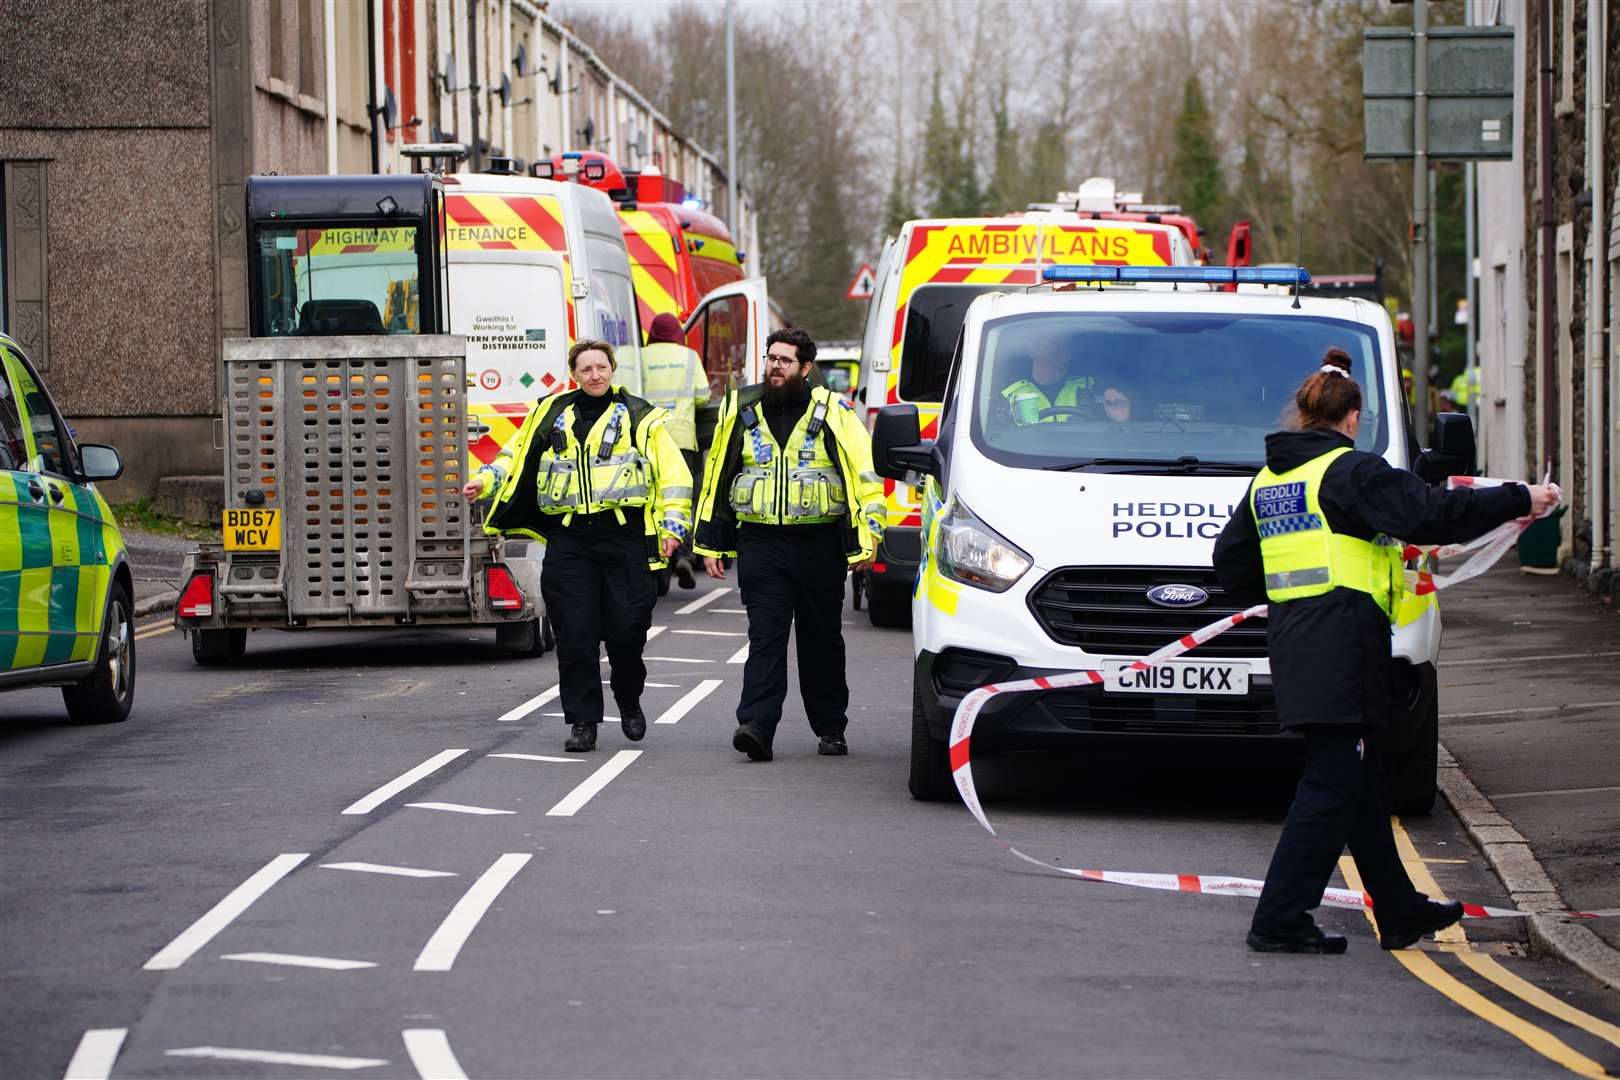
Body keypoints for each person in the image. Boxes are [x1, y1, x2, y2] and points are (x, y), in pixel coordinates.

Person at [1213, 348, 1557, 953]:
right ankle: (1279, 919)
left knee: (1361, 782)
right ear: (1352, 419)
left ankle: (1398, 910)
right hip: (1346, 650)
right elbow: (1433, 513)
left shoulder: (1270, 480)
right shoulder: (1351, 472)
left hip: (1299, 645)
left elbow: (1233, 567)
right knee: (1332, 783)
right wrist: (1516, 498)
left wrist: (1297, 594)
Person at [464, 340, 692, 753]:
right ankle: (583, 721)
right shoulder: (551, 414)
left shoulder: (640, 417)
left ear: (612, 369)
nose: (595, 376)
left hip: (624, 538)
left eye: (601, 367)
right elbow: (512, 459)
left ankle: (628, 697)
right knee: (575, 638)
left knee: (626, 635)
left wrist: (672, 526)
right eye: (586, 369)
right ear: (574, 374)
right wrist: (485, 481)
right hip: (569, 541)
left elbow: (673, 474)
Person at [693, 326, 885, 761]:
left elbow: (865, 475)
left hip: (820, 544)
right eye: (770, 358)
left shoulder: (834, 411)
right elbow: (718, 475)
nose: (774, 366)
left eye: (783, 360)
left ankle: (830, 728)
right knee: (765, 637)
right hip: (761, 543)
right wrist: (711, 542)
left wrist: (869, 533)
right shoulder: (743, 407)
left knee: (821, 640)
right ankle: (755, 728)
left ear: (805, 367)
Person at [640, 312, 711, 589]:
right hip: (682, 440)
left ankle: (658, 569)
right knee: (682, 501)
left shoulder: (640, 356)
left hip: (648, 440)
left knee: (652, 503)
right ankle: (683, 553)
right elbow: (703, 395)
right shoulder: (689, 357)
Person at [1000, 352, 1130, 424]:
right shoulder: (1010, 395)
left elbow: (1117, 443)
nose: (1065, 358)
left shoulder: (1092, 388)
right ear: (1033, 350)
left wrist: (1121, 420)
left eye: (1068, 349)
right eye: (1056, 348)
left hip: (1089, 468)